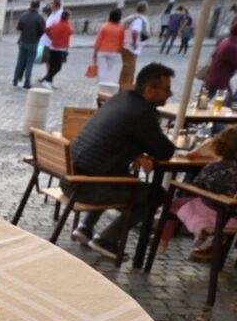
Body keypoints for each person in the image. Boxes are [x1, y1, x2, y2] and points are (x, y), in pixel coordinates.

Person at [68, 63, 176, 260]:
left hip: (71, 179)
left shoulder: (120, 98)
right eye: (166, 89)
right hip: (88, 188)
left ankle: (85, 227)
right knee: (155, 195)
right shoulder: (142, 113)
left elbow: (118, 136)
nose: (170, 94)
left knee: (119, 175)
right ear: (150, 90)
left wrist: (135, 152)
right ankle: (106, 240)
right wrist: (138, 151)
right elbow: (165, 151)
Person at [162, 127, 237, 260]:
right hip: (233, 213)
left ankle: (163, 242)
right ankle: (210, 242)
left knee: (174, 203)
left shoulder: (214, 167)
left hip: (214, 210)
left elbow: (197, 185)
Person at [14, 0, 45, 89]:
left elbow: (19, 28)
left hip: (23, 41)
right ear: (38, 7)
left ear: (30, 5)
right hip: (33, 42)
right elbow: (43, 30)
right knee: (29, 63)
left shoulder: (23, 15)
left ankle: (15, 80)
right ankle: (27, 82)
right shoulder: (39, 18)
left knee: (20, 62)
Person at [205, 21, 237, 105]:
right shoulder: (232, 46)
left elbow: (213, 55)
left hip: (216, 77)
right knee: (225, 102)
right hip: (219, 79)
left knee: (206, 99)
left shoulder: (226, 41)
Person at [120, 1, 150, 90]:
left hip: (128, 46)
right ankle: (124, 89)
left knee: (130, 69)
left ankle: (128, 87)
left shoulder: (133, 18)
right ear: (145, 10)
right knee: (128, 70)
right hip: (131, 48)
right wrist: (134, 43)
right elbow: (135, 31)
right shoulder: (139, 19)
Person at [39, 9, 72, 87]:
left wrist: (51, 37)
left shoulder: (55, 25)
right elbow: (71, 32)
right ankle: (47, 79)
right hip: (61, 49)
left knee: (52, 65)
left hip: (52, 46)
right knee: (58, 67)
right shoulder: (67, 26)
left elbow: (47, 30)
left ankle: (48, 81)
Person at [93, 8, 125, 85]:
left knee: (101, 69)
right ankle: (107, 83)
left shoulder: (104, 26)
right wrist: (120, 50)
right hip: (114, 51)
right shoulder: (121, 28)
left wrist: (95, 50)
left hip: (102, 50)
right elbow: (122, 40)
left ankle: (100, 84)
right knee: (109, 70)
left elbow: (99, 39)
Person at [37, 0, 63, 82]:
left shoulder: (60, 14)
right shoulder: (53, 13)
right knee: (48, 60)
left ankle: (49, 77)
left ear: (56, 5)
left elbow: (57, 28)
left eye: (52, 4)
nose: (51, 6)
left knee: (51, 61)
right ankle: (48, 76)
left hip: (52, 41)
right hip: (47, 40)